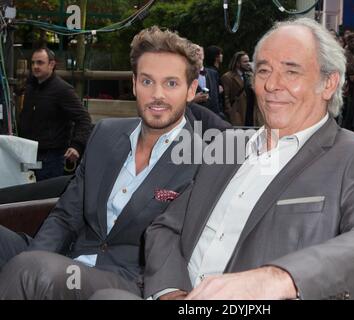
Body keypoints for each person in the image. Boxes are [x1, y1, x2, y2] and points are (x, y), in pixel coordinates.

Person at [94, 18, 354, 300]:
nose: (272, 85)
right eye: (263, 70)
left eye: (291, 71)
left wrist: (279, 278)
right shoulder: (227, 144)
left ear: (328, 83)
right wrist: (170, 291)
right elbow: (166, 227)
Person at [0, 26, 204, 299]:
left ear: (191, 90)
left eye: (171, 83)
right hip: (69, 257)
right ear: (133, 84)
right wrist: (35, 257)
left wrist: (33, 267)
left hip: (126, 281)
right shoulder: (105, 134)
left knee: (34, 270)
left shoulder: (202, 161)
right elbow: (65, 215)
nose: (157, 95)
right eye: (147, 81)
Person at [19, 48, 92, 181]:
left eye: (40, 63)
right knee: (26, 196)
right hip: (28, 154)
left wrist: (77, 145)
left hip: (51, 158)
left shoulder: (62, 90)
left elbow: (83, 118)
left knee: (45, 198)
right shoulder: (30, 88)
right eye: (33, 63)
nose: (35, 66)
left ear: (51, 65)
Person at [221, 51, 259, 126]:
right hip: (238, 112)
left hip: (251, 111)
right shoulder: (228, 77)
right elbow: (226, 98)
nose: (248, 63)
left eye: (248, 61)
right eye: (245, 62)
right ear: (237, 63)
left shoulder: (250, 75)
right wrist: (230, 113)